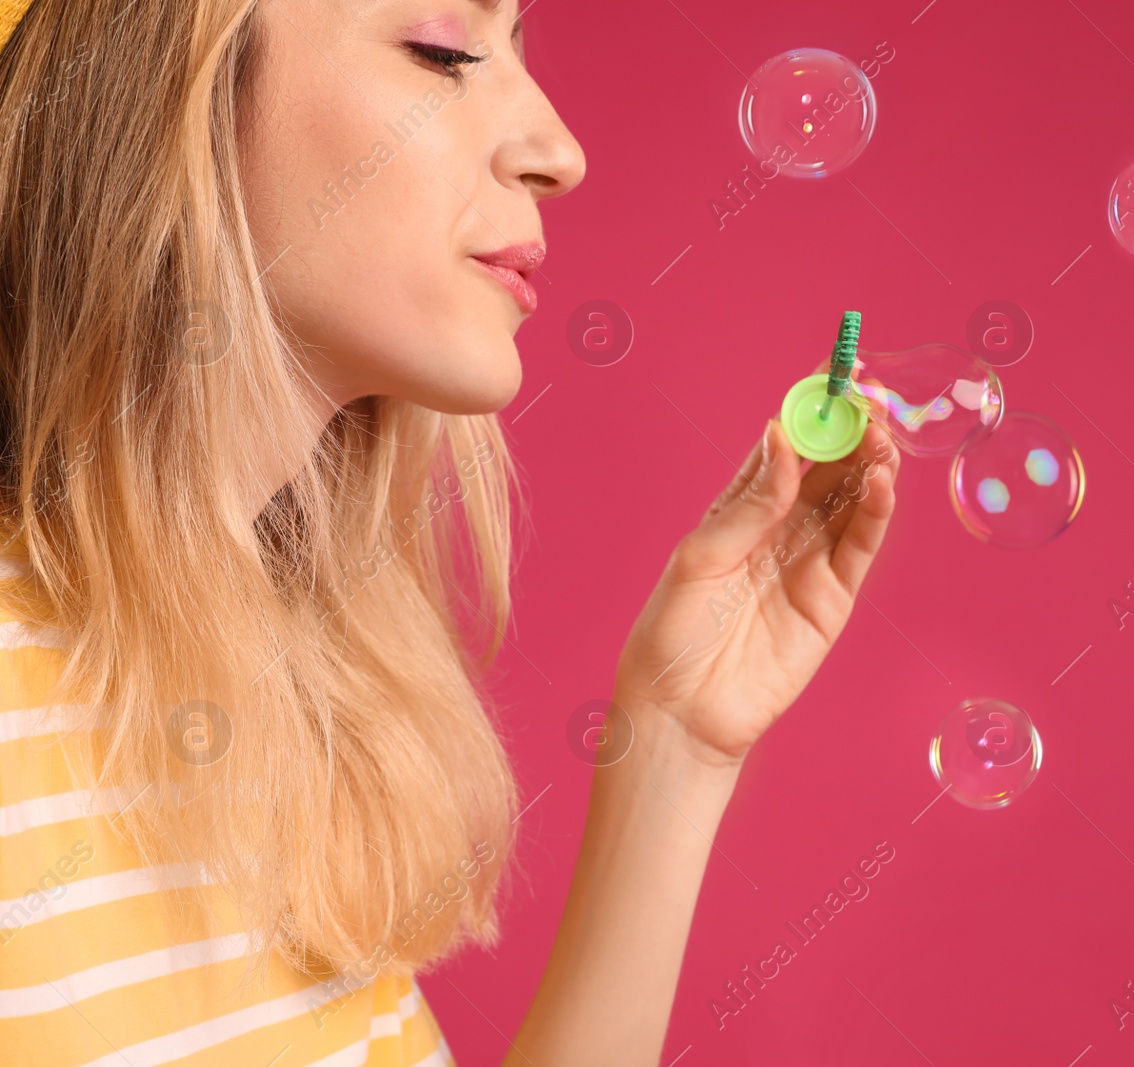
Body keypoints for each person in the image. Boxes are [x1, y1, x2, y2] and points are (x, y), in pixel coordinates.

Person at [0, 1, 901, 1064]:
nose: (559, 153)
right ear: (164, 96)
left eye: (518, 45)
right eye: (445, 47)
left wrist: (675, 739)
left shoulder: (276, 694)